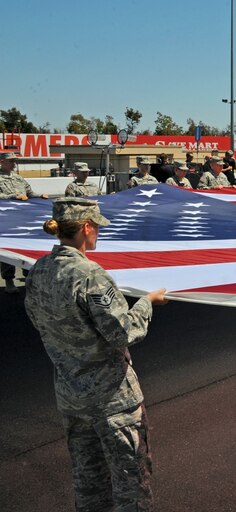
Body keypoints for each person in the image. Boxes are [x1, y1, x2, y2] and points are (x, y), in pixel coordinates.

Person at [24, 197, 167, 511]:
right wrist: (147, 302)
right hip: (111, 399)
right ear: (86, 228)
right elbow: (123, 332)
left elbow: (38, 321)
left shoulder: (39, 271)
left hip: (71, 396)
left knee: (89, 484)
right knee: (130, 485)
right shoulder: (90, 274)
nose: (98, 234)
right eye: (97, 228)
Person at [1, 152, 49, 292]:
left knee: (25, 247)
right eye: (10, 161)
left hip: (22, 220)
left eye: (14, 161)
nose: (13, 164)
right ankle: (9, 280)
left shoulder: (19, 178)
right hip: (6, 220)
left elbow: (29, 193)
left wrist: (39, 196)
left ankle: (28, 277)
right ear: (2, 162)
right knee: (9, 250)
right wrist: (13, 196)